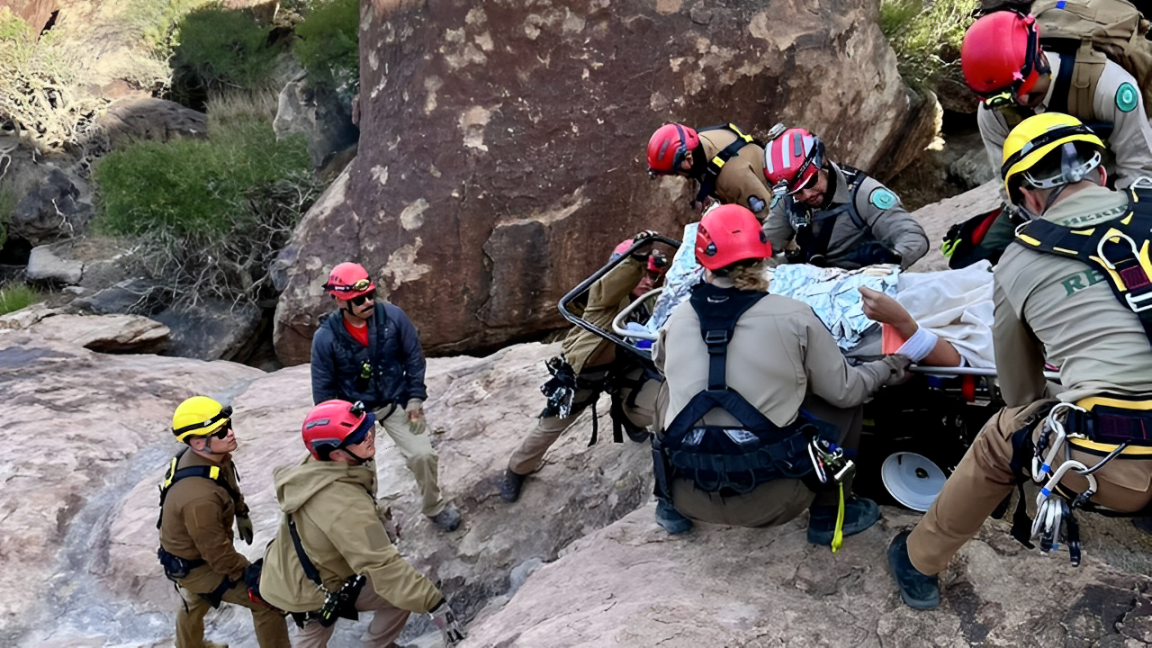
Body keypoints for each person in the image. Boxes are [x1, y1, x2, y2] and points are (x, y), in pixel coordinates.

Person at [888, 113, 1152, 610]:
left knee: (1003, 433)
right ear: (1099, 171)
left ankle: (919, 560)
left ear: (1027, 196)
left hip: (1117, 469)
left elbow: (1020, 392)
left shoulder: (1020, 259)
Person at [652, 204, 912, 546]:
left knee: (667, 392)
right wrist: (889, 365)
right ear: (763, 258)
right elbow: (847, 391)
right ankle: (831, 512)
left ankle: (668, 505)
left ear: (704, 263)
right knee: (841, 396)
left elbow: (661, 365)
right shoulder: (794, 316)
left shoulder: (676, 319)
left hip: (691, 493)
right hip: (776, 499)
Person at [259, 400, 467, 647]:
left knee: (396, 596)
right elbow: (382, 564)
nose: (369, 437)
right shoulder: (344, 504)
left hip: (298, 566)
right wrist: (435, 603)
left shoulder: (324, 464)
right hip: (304, 587)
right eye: (358, 437)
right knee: (319, 629)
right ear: (336, 453)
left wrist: (380, 520)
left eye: (367, 428)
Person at [954, 9, 1152, 263]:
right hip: (1043, 198)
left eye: (1024, 87)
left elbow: (1139, 170)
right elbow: (1012, 188)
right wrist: (1049, 233)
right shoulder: (994, 114)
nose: (1021, 100)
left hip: (1110, 179)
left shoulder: (1108, 86)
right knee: (979, 257)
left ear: (1040, 58)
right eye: (1006, 97)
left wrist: (1117, 222)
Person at [499, 232, 668, 503]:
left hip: (625, 366)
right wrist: (635, 258)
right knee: (551, 425)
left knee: (656, 399)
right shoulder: (604, 296)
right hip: (586, 372)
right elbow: (612, 282)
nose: (649, 281)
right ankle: (518, 468)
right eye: (644, 274)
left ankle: (633, 419)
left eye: (653, 276)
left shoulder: (644, 303)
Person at [310, 262, 461, 532]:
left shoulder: (393, 317)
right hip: (354, 414)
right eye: (359, 299)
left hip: (395, 401)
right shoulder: (325, 338)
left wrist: (415, 397)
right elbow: (323, 389)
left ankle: (434, 506)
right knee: (361, 473)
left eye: (371, 295)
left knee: (423, 455)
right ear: (339, 301)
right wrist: (334, 435)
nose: (368, 301)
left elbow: (413, 357)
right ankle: (375, 520)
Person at [157, 396, 290, 648]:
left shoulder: (210, 458)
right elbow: (217, 553)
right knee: (265, 601)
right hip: (196, 564)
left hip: (188, 555)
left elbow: (226, 482)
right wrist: (248, 573)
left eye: (228, 425)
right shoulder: (199, 498)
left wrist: (241, 512)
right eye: (220, 431)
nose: (230, 433)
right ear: (197, 442)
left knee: (195, 601)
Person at [761, 126, 929, 270]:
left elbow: (914, 238)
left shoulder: (864, 194)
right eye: (796, 192)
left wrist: (888, 261)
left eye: (812, 182)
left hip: (862, 281)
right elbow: (764, 246)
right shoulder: (787, 200)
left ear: (824, 163)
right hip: (813, 278)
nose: (807, 195)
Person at [647, 122, 775, 218]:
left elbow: (772, 221)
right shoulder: (702, 141)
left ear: (688, 160)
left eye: (675, 172)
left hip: (777, 207)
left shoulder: (730, 179)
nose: (677, 176)